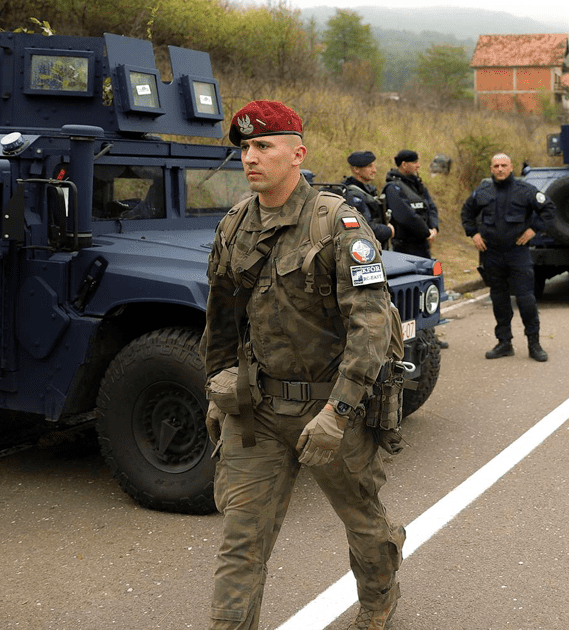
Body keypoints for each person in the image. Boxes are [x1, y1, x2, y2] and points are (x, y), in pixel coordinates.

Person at [202, 100, 404, 630]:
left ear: (297, 154)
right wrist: (215, 389)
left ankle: (380, 599)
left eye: (263, 146)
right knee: (241, 539)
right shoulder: (234, 225)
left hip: (332, 407)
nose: (251, 158)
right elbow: (220, 318)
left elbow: (371, 323)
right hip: (259, 409)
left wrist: (339, 412)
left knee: (364, 523)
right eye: (245, 148)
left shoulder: (339, 224)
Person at [461, 153, 556, 361]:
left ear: (511, 167)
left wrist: (534, 229)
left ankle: (534, 344)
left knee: (526, 299)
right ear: (491, 169)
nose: (500, 169)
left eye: (504, 165)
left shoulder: (526, 191)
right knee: (499, 299)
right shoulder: (482, 192)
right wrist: (473, 233)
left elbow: (548, 209)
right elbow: (467, 212)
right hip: (492, 254)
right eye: (496, 166)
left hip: (517, 253)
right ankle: (504, 343)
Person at [384, 149, 439, 258]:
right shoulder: (393, 188)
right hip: (404, 247)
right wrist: (427, 233)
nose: (418, 165)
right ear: (404, 165)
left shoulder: (418, 185)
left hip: (423, 244)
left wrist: (434, 228)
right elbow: (406, 216)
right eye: (414, 162)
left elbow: (431, 208)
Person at [342, 150, 393, 248]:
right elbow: (366, 229)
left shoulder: (367, 190)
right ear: (356, 169)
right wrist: (389, 230)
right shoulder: (352, 195)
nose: (374, 170)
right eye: (370, 166)